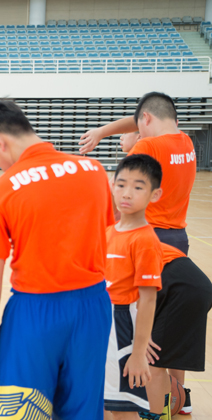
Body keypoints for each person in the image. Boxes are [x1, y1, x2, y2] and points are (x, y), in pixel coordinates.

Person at [0, 101, 113, 418]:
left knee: (24, 414)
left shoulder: (2, 190)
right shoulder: (95, 172)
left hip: (35, 313)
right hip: (93, 308)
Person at [79, 92, 199, 412]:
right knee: (166, 327)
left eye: (138, 127)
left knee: (142, 325)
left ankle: (147, 401)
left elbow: (124, 191)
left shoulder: (147, 147)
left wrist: (108, 134)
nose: (134, 134)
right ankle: (180, 394)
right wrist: (108, 132)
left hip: (146, 239)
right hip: (179, 239)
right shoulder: (186, 142)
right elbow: (146, 116)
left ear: (145, 120)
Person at [115, 127, 212, 419]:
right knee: (161, 353)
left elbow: (140, 293)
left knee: (150, 359)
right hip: (189, 281)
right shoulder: (180, 139)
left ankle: (158, 412)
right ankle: (179, 399)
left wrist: (141, 338)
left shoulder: (125, 239)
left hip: (182, 288)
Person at [103, 154, 163, 420]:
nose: (127, 193)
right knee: (105, 403)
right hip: (101, 322)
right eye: (121, 184)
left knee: (123, 409)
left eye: (138, 187)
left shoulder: (145, 240)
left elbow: (148, 300)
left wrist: (138, 352)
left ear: (155, 194)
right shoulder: (109, 231)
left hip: (121, 325)